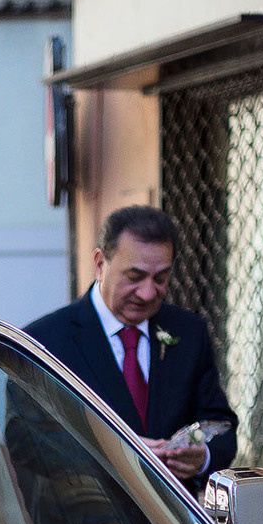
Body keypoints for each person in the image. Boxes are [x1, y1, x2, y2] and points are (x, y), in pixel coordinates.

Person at [23, 206, 237, 484]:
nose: (148, 293)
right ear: (100, 263)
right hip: (81, 517)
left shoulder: (189, 332)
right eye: (134, 277)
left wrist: (202, 457)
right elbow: (26, 443)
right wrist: (118, 452)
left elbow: (221, 426)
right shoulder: (45, 340)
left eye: (161, 278)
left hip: (171, 522)